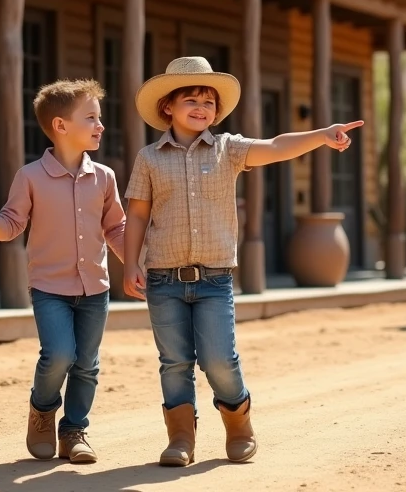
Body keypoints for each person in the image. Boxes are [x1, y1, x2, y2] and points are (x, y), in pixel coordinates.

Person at [121, 56, 363, 466]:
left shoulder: (228, 150)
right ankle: (181, 439)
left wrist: (322, 134)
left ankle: (238, 424)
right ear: (168, 107)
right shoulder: (149, 158)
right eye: (191, 100)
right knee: (175, 362)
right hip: (164, 278)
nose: (202, 108)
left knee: (219, 359)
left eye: (209, 102)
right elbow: (139, 214)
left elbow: (276, 145)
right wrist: (130, 264)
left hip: (215, 279)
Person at [0, 79, 126, 464]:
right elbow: (10, 225)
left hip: (95, 288)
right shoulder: (30, 177)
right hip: (49, 288)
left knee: (86, 364)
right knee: (58, 355)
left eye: (99, 117)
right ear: (61, 126)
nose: (100, 125)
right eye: (91, 117)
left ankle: (74, 431)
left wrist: (136, 264)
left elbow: (116, 228)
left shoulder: (104, 177)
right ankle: (42, 410)